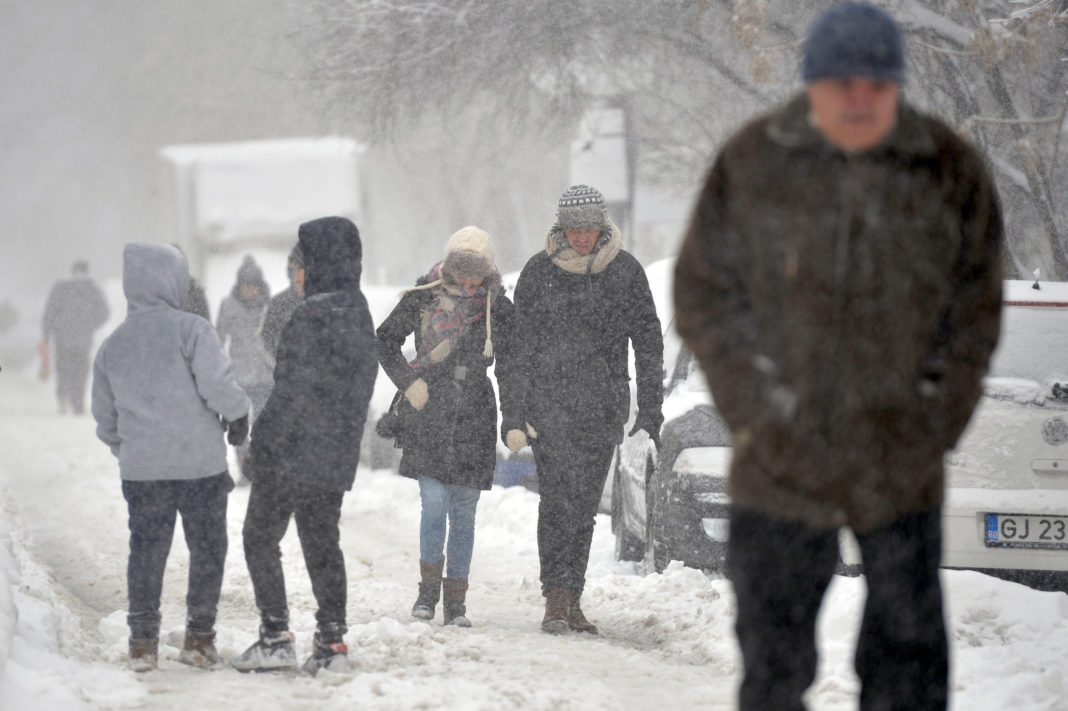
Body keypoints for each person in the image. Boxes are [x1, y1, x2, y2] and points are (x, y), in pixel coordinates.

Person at [673, 4, 1004, 709]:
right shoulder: (754, 162)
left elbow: (974, 312)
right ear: (810, 86)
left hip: (900, 463)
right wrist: (758, 411)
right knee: (772, 665)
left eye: (875, 85)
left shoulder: (945, 169)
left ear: (897, 86)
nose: (858, 99)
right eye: (840, 83)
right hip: (778, 463)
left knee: (909, 670)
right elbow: (703, 296)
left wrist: (932, 419)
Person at [501, 184, 664, 635]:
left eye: (588, 228)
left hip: (602, 408)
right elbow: (516, 349)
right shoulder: (538, 272)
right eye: (572, 229)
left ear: (602, 226)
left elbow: (648, 341)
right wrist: (512, 412)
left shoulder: (626, 272)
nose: (580, 237)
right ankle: (555, 598)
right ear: (561, 228)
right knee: (557, 501)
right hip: (549, 406)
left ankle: (573, 597)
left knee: (584, 507)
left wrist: (651, 406)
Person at [90, 243, 250, 672]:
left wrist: (134, 450)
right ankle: (198, 640)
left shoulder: (113, 345)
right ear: (172, 280)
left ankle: (142, 643)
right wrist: (238, 416)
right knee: (207, 550)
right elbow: (218, 386)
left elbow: (104, 419)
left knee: (146, 552)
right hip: (200, 468)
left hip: (143, 473)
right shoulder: (192, 329)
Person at [231, 216, 377, 676]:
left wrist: (260, 446)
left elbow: (288, 393)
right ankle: (332, 642)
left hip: (290, 452)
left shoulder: (309, 315)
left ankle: (275, 635)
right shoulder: (358, 310)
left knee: (259, 538)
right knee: (322, 543)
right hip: (332, 452)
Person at [377, 226, 514, 628]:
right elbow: (384, 339)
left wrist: (514, 417)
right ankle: (426, 593)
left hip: (474, 409)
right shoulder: (422, 298)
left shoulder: (498, 309)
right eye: (461, 273)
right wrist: (409, 383)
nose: (468, 282)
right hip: (429, 409)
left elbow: (513, 365)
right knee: (434, 501)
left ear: (487, 273)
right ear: (449, 270)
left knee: (465, 509)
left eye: (476, 274)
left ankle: (456, 602)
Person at [216, 255, 274, 479]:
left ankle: (261, 470)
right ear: (238, 287)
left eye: (254, 287)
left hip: (266, 377)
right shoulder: (228, 306)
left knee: (263, 429)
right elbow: (218, 338)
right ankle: (246, 471)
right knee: (239, 429)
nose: (250, 291)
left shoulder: (270, 306)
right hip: (238, 377)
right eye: (245, 286)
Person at [40, 259, 109, 414]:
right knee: (80, 371)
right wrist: (92, 324)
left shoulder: (61, 288)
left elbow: (50, 312)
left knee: (63, 369)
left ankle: (63, 396)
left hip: (62, 338)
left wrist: (46, 333)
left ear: (72, 272)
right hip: (82, 340)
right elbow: (104, 312)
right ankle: (77, 403)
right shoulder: (92, 290)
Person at [258, 242, 306, 369]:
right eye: (296, 273)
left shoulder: (329, 303)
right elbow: (266, 338)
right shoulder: (278, 304)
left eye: (305, 273)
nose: (300, 280)